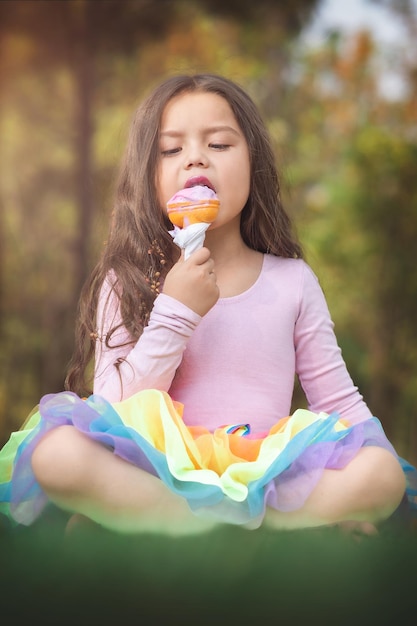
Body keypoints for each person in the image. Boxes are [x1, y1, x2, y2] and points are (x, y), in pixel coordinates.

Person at [0, 74, 415, 536]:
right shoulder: (130, 279)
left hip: (264, 472)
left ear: (253, 162)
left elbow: (340, 403)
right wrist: (175, 312)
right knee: (56, 453)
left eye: (218, 144)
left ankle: (200, 520)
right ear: (148, 178)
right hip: (158, 468)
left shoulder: (291, 280)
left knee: (383, 475)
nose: (195, 156)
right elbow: (109, 411)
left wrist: (380, 477)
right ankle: (218, 523)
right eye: (170, 149)